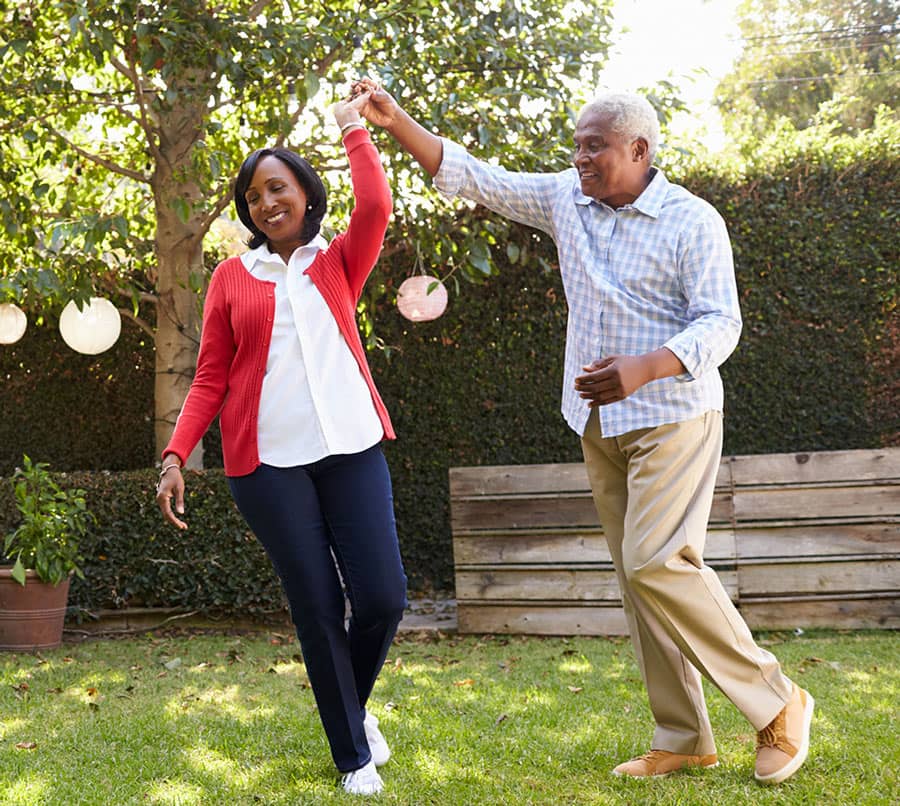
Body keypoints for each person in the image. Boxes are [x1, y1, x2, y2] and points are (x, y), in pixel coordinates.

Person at [354, 80, 814, 785]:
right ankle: (683, 735)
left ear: (639, 149)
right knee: (639, 580)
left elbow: (721, 322)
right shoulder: (566, 198)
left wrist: (645, 367)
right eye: (576, 145)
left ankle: (778, 701)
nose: (579, 158)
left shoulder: (693, 221)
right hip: (599, 422)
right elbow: (479, 177)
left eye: (594, 146)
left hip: (673, 415)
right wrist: (398, 122)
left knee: (658, 561)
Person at [155, 90, 407, 797]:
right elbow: (210, 375)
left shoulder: (338, 262)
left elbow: (376, 206)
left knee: (384, 597)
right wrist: (175, 455)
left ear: (304, 194)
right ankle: (353, 756)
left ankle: (351, 708)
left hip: (352, 449)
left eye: (278, 188)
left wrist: (353, 128)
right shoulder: (232, 278)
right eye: (254, 195)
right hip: (267, 468)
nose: (267, 202)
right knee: (318, 607)